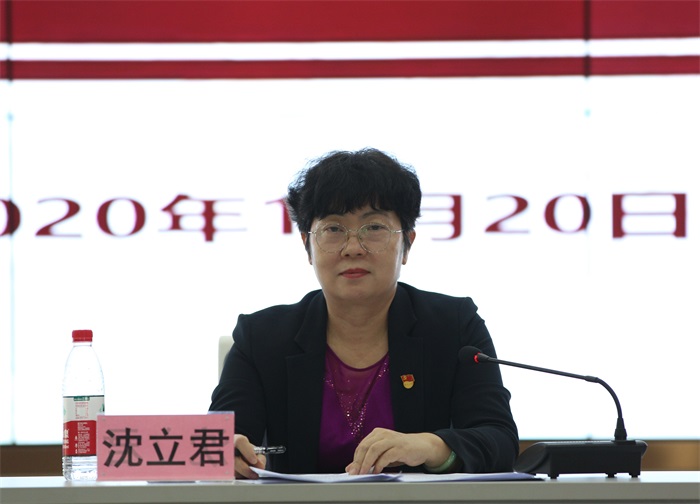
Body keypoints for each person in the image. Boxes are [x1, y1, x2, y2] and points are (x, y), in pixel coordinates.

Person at [210, 148, 518, 478]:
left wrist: (432, 447)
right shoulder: (261, 337)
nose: (353, 248)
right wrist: (227, 452)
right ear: (307, 246)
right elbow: (216, 442)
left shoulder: (453, 326)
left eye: (373, 227)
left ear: (407, 243)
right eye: (333, 229)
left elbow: (499, 440)